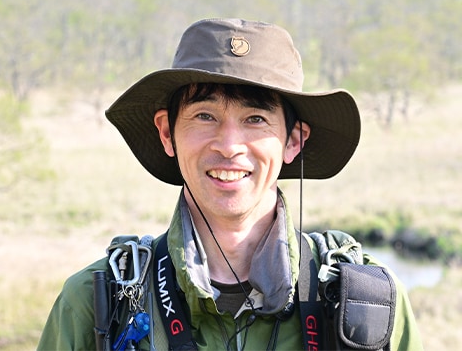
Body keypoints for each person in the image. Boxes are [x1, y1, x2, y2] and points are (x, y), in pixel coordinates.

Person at [37, 18, 423, 350]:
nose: (229, 146)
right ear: (167, 133)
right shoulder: (99, 302)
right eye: (204, 116)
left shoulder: (367, 302)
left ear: (293, 141)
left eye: (255, 119)